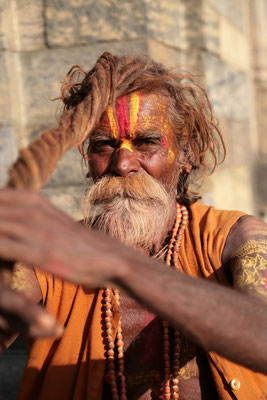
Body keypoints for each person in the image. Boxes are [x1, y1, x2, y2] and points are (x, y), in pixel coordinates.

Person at [0, 52, 266, 400]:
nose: (122, 163)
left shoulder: (236, 237)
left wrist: (120, 263)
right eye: (104, 145)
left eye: (147, 142)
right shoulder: (47, 262)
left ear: (186, 155)